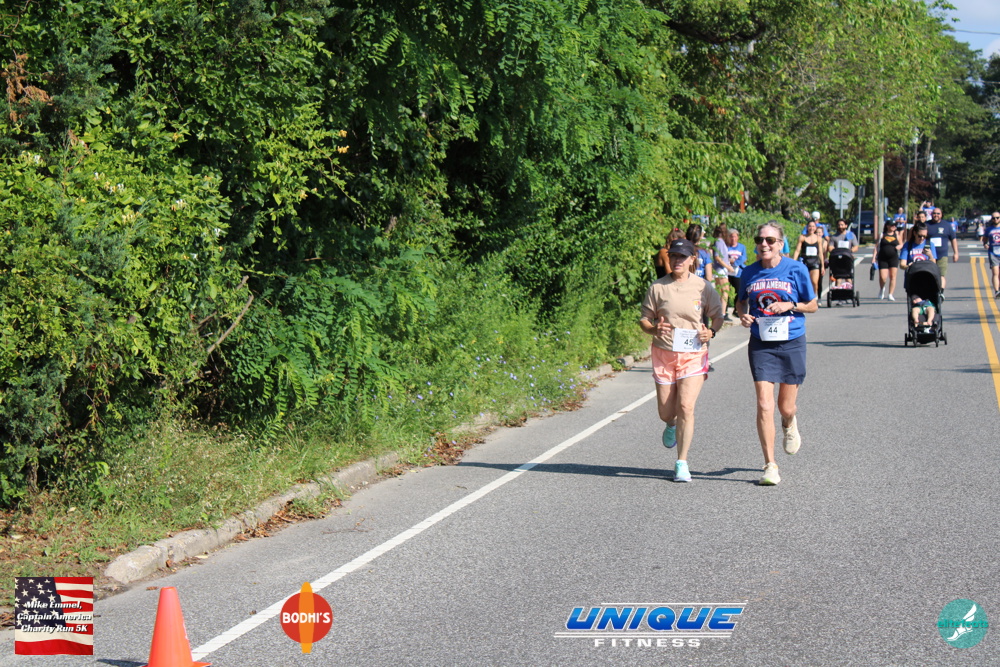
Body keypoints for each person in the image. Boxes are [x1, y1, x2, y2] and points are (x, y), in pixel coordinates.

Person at [736, 222, 818, 486]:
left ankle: (789, 422)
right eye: (760, 240)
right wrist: (742, 315)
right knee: (764, 403)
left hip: (792, 340)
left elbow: (813, 305)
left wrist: (789, 305)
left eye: (770, 240)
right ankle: (770, 465)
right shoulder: (749, 272)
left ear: (780, 244)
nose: (764, 244)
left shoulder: (796, 269)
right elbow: (740, 301)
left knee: (786, 406)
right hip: (762, 343)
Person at [640, 239, 725, 483]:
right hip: (664, 353)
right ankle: (671, 424)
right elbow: (644, 319)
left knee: (686, 406)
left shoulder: (703, 287)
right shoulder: (658, 287)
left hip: (694, 354)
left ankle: (682, 463)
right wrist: (653, 329)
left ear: (692, 259)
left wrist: (711, 332)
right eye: (674, 256)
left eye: (682, 256)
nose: (677, 260)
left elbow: (717, 316)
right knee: (666, 412)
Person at [926, 207, 958, 289]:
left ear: (941, 215)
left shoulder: (947, 225)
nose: (936, 215)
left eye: (938, 213)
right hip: (928, 255)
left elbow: (953, 239)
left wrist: (956, 253)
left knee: (941, 275)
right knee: (929, 275)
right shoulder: (926, 225)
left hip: (942, 255)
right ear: (931, 214)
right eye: (934, 213)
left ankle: (941, 292)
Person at [792, 219, 825, 298]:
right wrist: (793, 262)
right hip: (804, 262)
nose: (811, 228)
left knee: (814, 282)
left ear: (815, 228)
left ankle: (813, 297)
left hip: (815, 262)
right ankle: (805, 297)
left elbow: (820, 253)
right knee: (805, 282)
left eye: (813, 226)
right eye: (810, 226)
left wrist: (822, 266)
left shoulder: (818, 239)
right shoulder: (802, 237)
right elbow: (797, 251)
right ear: (807, 227)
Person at [873, 221, 902, 300]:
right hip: (883, 258)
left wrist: (899, 246)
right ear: (887, 226)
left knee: (893, 276)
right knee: (883, 277)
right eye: (892, 225)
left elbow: (901, 244)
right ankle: (882, 289)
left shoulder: (897, 235)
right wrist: (874, 258)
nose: (894, 227)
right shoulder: (882, 235)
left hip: (893, 258)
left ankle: (890, 294)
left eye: (895, 225)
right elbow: (876, 247)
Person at [826, 218, 859, 287]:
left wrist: (850, 251)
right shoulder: (834, 237)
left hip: (847, 258)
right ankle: (837, 290)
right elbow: (830, 247)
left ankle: (849, 289)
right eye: (839, 225)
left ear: (846, 226)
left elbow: (856, 247)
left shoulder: (851, 235)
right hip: (837, 258)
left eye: (842, 225)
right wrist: (835, 251)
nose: (840, 226)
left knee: (848, 277)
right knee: (838, 278)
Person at [712, 224, 735, 318]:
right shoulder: (719, 241)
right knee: (725, 290)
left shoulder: (720, 241)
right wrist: (728, 267)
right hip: (720, 269)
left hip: (721, 269)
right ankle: (722, 313)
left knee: (721, 290)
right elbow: (717, 257)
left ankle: (720, 311)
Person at [725, 228, 748, 307]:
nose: (733, 239)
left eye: (735, 236)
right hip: (727, 271)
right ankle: (725, 308)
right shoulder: (726, 247)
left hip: (738, 272)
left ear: (737, 237)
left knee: (738, 290)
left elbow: (744, 258)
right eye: (731, 236)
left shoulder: (742, 247)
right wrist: (731, 260)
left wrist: (734, 262)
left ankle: (736, 308)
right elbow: (724, 258)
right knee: (725, 290)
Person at [983, 212, 1000, 299]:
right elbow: (985, 239)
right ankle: (997, 291)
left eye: (997, 217)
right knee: (995, 272)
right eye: (994, 218)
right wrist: (985, 244)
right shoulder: (989, 229)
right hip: (993, 253)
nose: (995, 219)